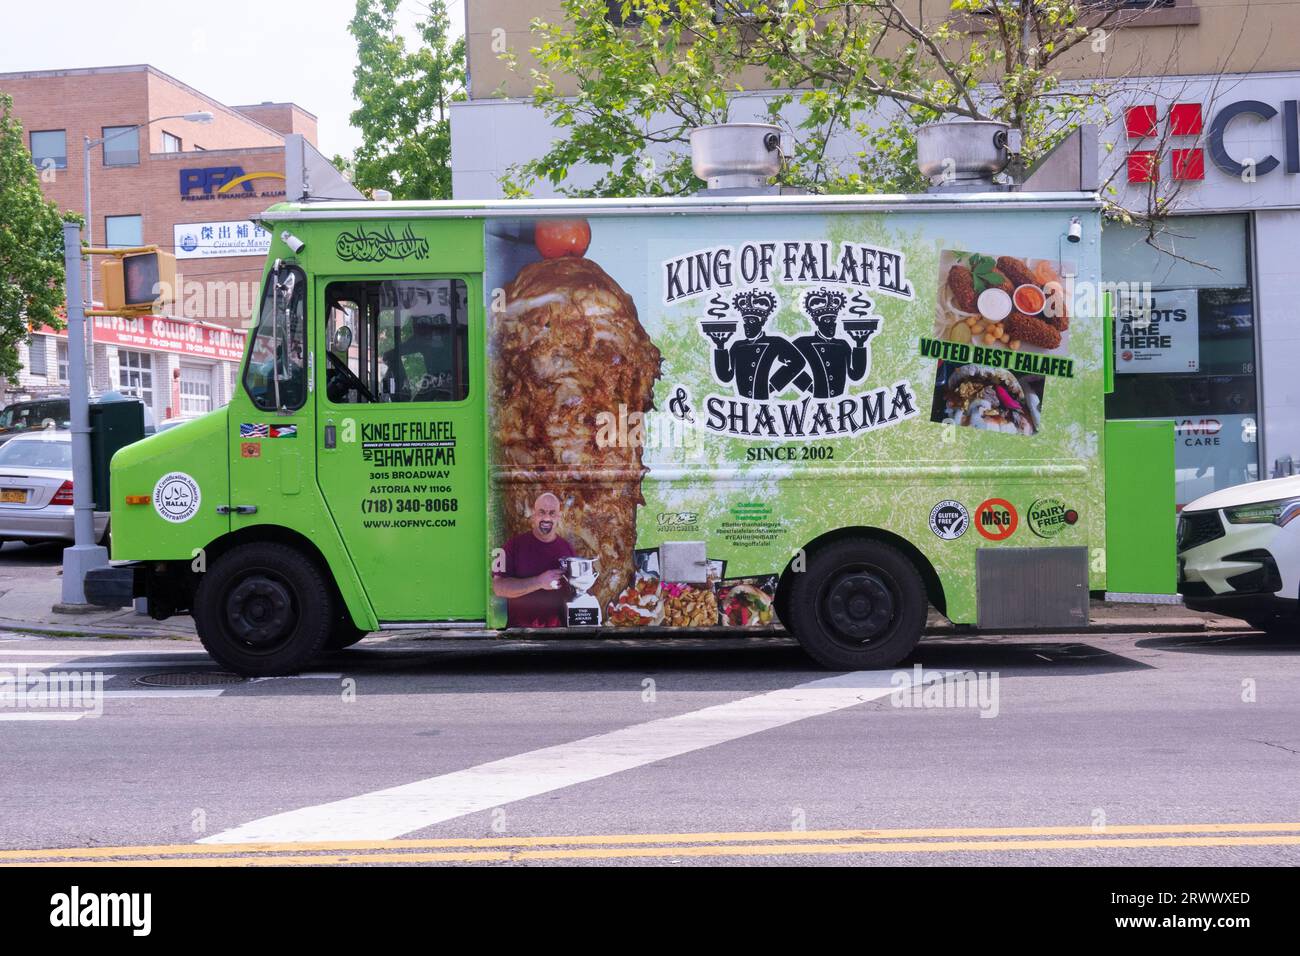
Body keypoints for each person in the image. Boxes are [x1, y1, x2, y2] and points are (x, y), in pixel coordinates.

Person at [492, 492, 576, 628]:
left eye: (552, 513)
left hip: (558, 635)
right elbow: (498, 587)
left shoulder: (567, 549)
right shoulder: (513, 546)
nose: (546, 518)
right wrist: (539, 582)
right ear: (534, 515)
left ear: (559, 517)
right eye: (542, 512)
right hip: (520, 633)